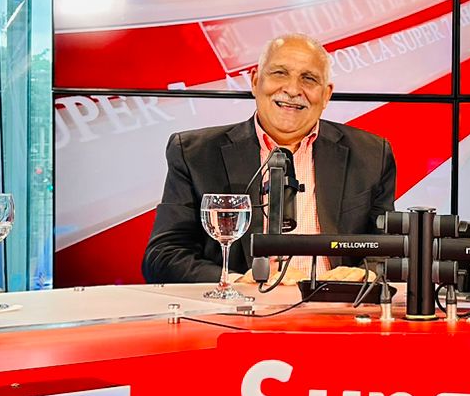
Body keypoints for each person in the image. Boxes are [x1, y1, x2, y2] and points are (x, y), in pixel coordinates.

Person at [141, 34, 397, 284]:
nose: (293, 90)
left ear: (326, 94)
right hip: (240, 306)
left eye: (308, 79)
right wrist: (235, 282)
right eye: (279, 73)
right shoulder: (195, 154)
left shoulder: (372, 154)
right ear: (255, 81)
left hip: (335, 305)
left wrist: (365, 274)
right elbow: (164, 256)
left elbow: (390, 250)